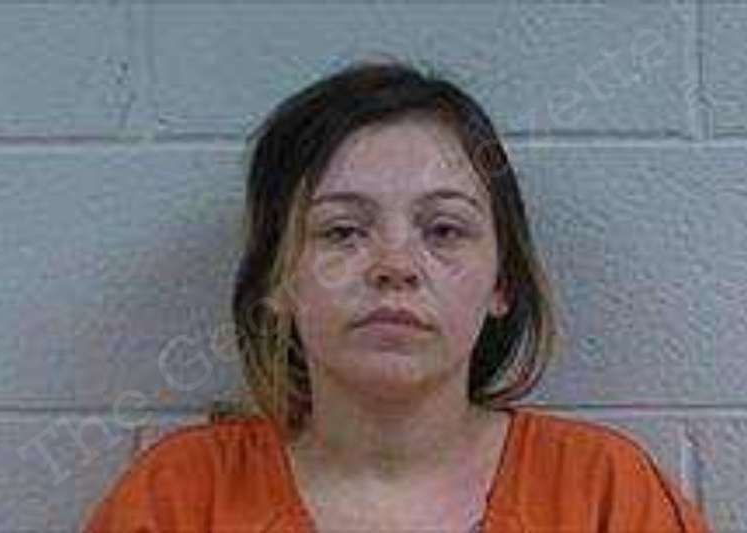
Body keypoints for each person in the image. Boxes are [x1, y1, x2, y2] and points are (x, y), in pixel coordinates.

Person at [84, 60, 712, 532]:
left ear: (502, 282)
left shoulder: (606, 493)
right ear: (277, 280)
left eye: (444, 230)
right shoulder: (179, 500)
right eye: (342, 232)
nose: (395, 267)